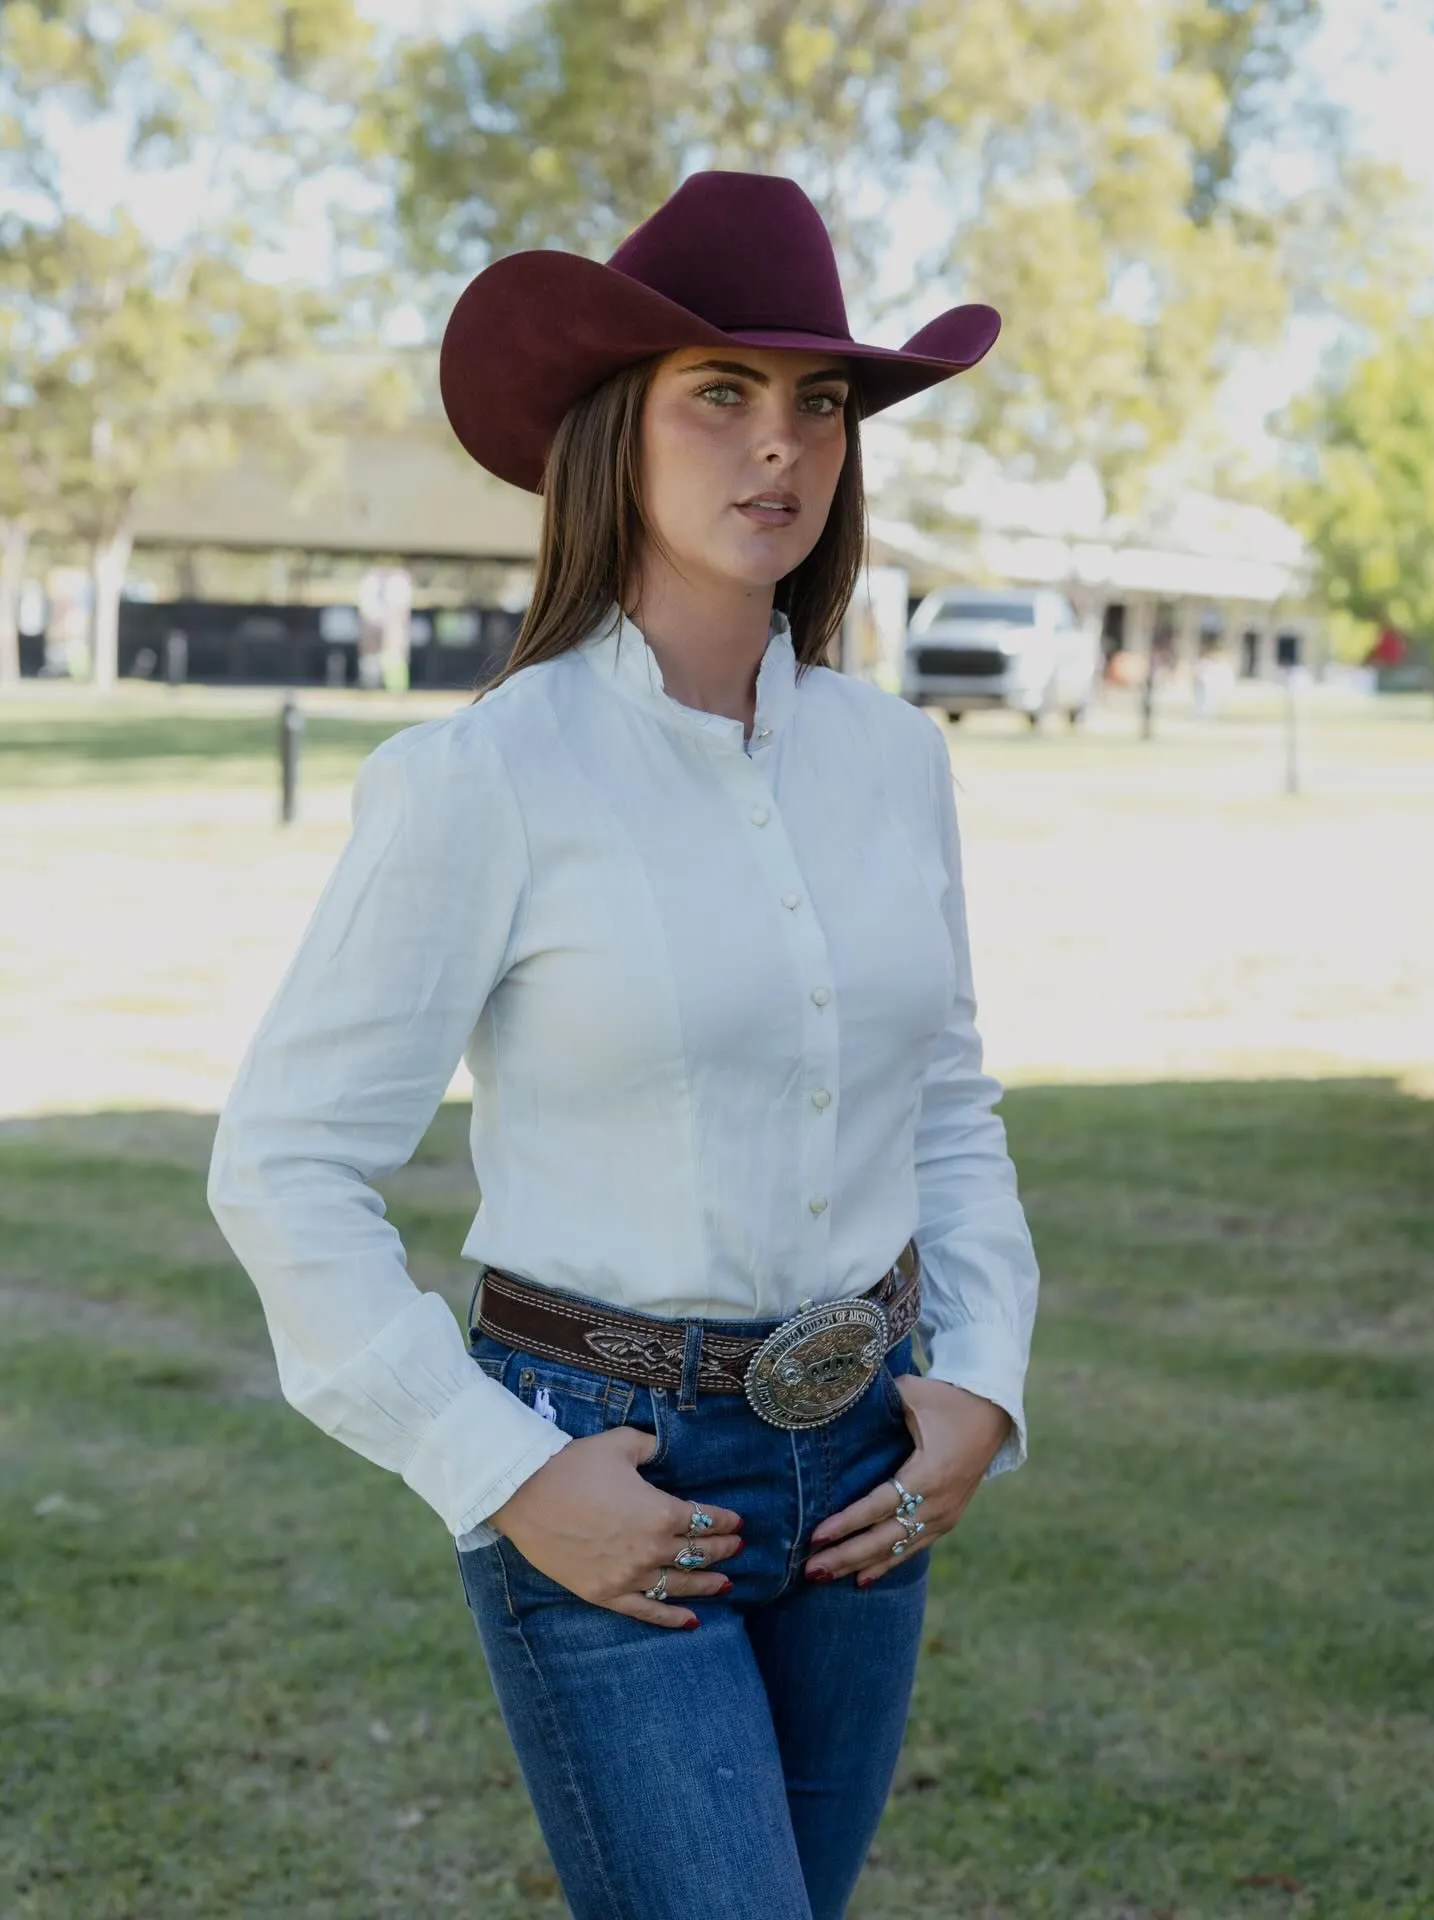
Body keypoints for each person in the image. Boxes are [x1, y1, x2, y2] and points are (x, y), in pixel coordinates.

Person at [208, 170, 1041, 1920]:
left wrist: (984, 1380)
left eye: (820, 403)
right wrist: (504, 1474)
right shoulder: (483, 783)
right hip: (614, 1476)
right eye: (720, 395)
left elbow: (946, 1102)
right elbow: (286, 1166)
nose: (782, 449)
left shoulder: (895, 762)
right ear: (614, 433)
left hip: (873, 1460)